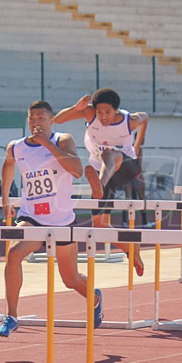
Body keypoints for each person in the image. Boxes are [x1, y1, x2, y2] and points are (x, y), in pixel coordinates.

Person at [0, 100, 102, 337]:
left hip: (61, 220)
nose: (36, 121)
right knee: (13, 253)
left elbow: (75, 170)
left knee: (71, 280)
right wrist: (5, 201)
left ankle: (95, 298)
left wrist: (46, 144)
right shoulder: (17, 146)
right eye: (32, 117)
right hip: (31, 216)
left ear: (50, 120)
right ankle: (11, 316)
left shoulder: (62, 140)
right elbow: (8, 165)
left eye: (41, 118)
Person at [51, 88, 147, 276]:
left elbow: (145, 118)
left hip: (126, 166)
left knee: (109, 153)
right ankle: (130, 248)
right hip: (102, 172)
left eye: (108, 112)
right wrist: (75, 108)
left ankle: (100, 186)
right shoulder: (90, 114)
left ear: (116, 111)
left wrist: (137, 145)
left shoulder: (129, 121)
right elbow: (58, 120)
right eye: (100, 112)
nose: (103, 116)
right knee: (100, 226)